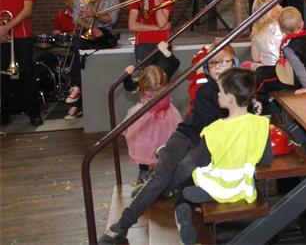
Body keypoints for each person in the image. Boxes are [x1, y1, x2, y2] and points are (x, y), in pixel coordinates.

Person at [99, 41, 237, 244]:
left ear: (234, 62)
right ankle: (122, 225)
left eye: (224, 62)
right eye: (213, 63)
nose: (219, 67)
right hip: (188, 135)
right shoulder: (206, 90)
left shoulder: (239, 88)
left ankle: (157, 189)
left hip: (207, 145)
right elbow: (212, 125)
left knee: (180, 173)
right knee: (163, 177)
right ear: (207, 66)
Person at [175, 68, 273, 245]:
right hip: (244, 186)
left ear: (230, 98)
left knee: (182, 187)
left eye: (219, 91)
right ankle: (220, 193)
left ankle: (185, 220)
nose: (217, 94)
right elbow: (266, 159)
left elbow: (202, 163)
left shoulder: (212, 130)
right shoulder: (261, 124)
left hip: (217, 182)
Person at [64, 0, 120, 118]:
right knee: (78, 47)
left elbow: (112, 19)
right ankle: (77, 88)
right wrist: (91, 27)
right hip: (87, 30)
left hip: (104, 32)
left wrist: (94, 15)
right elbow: (76, 18)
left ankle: (78, 99)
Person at [0, 0, 43, 127]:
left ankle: (34, 112)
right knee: (2, 75)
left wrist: (6, 27)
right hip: (2, 36)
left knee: (27, 73)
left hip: (22, 35)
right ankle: (4, 113)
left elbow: (27, 10)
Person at [123, 59, 182, 186]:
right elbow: (129, 87)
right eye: (151, 90)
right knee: (143, 144)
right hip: (147, 118)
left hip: (166, 117)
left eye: (158, 90)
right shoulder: (141, 82)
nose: (155, 93)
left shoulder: (164, 77)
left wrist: (166, 53)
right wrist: (127, 75)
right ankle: (143, 171)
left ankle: (164, 171)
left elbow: (175, 63)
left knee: (166, 143)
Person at [127, 0, 178, 90]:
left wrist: (156, 0)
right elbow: (132, 25)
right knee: (147, 81)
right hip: (143, 43)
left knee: (162, 80)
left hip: (163, 43)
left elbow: (161, 22)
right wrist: (155, 28)